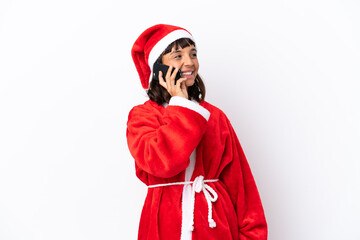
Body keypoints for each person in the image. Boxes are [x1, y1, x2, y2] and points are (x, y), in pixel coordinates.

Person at [127, 24, 267, 240]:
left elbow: (241, 185)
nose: (189, 62)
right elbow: (162, 162)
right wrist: (181, 106)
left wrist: (252, 235)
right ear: (158, 67)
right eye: (177, 55)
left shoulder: (215, 116)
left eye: (193, 54)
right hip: (164, 225)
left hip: (214, 225)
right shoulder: (143, 117)